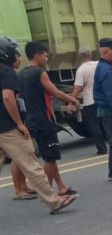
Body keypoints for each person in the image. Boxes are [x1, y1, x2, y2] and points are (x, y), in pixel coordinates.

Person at [0, 37, 76, 213]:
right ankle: (53, 200)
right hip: (9, 126)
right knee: (31, 164)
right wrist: (19, 123)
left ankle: (50, 191)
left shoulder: (19, 73)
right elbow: (8, 97)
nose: (17, 57)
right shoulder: (7, 72)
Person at [18, 42, 79, 196]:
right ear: (37, 56)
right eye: (45, 56)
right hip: (43, 120)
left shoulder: (22, 74)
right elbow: (56, 93)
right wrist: (72, 99)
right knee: (49, 158)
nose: (46, 59)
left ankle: (61, 187)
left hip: (30, 119)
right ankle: (49, 194)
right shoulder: (39, 73)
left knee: (49, 155)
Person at [93, 38, 112, 181]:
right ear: (105, 51)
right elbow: (111, 93)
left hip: (105, 109)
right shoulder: (106, 69)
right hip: (109, 110)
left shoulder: (105, 66)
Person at [71, 46, 107, 155]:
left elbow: (77, 88)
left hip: (90, 101)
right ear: (90, 54)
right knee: (106, 122)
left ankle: (102, 149)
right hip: (102, 98)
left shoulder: (81, 70)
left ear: (80, 56)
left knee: (94, 125)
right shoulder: (99, 65)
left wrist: (71, 102)